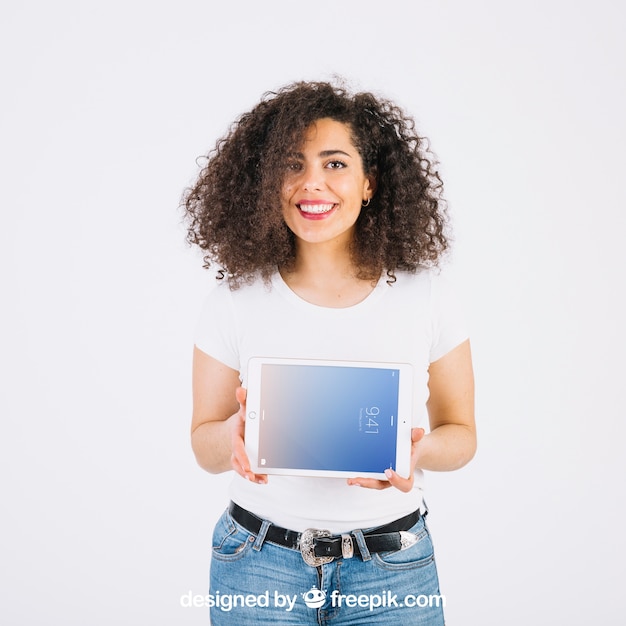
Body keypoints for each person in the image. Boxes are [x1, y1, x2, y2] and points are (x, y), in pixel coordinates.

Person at [183, 80, 476, 625]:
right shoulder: (235, 300)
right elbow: (203, 444)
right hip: (257, 563)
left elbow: (462, 436)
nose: (311, 183)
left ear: (370, 183)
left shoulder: (427, 295)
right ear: (269, 181)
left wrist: (417, 453)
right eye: (292, 164)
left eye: (335, 163)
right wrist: (234, 435)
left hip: (392, 566)